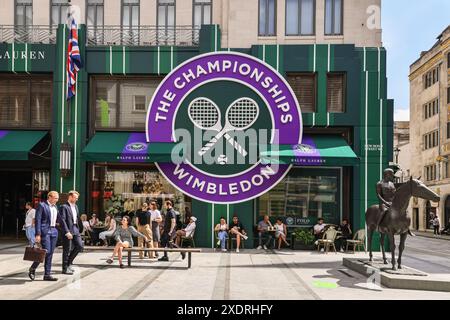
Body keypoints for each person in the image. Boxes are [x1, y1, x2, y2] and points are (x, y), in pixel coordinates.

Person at [29, 191, 61, 281]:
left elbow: (58, 218)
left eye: (57, 198)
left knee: (50, 253)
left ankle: (47, 275)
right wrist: (38, 234)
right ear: (49, 197)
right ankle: (33, 268)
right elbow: (38, 220)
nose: (57, 200)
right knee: (46, 251)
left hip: (54, 231)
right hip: (45, 232)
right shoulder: (42, 205)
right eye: (56, 198)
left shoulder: (55, 206)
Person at [59, 190, 84, 275]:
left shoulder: (76, 206)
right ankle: (65, 268)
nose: (76, 199)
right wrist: (67, 232)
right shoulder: (64, 207)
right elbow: (62, 220)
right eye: (75, 198)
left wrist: (80, 228)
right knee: (67, 249)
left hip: (75, 229)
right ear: (70, 197)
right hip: (68, 230)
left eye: (77, 198)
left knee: (80, 246)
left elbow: (77, 218)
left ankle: (69, 262)